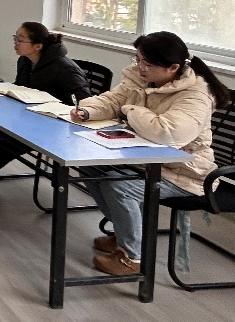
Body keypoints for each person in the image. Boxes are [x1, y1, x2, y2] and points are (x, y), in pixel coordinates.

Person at [71, 31, 230, 277]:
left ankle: (133, 258)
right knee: (91, 168)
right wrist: (87, 111)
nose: (140, 67)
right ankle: (124, 234)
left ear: (173, 68)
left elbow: (167, 133)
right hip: (147, 161)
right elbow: (112, 100)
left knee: (118, 186)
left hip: (186, 172)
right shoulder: (140, 78)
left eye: (147, 63)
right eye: (138, 59)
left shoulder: (195, 96)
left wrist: (129, 110)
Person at [0, 22, 92, 203]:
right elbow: (21, 88)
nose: (15, 43)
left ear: (37, 46)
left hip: (56, 126)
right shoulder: (25, 61)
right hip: (31, 117)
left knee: (7, 143)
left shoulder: (65, 69)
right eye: (15, 37)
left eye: (20, 39)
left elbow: (83, 102)